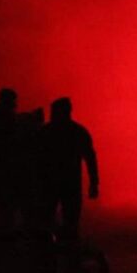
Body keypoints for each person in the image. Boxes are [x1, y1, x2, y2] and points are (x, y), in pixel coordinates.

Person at [36, 97, 98, 246]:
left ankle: (47, 253)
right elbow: (90, 158)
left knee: (46, 220)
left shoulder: (45, 132)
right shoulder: (78, 132)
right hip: (70, 184)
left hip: (50, 184)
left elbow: (35, 159)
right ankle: (70, 255)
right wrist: (94, 183)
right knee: (70, 222)